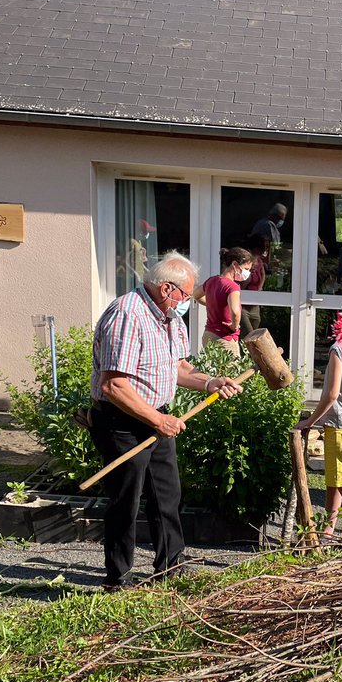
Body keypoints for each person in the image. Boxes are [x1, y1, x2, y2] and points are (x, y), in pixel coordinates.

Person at [90, 251, 244, 590]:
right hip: (122, 420)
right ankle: (118, 578)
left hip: (155, 416)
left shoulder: (170, 318)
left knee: (167, 494)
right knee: (125, 500)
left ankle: (170, 565)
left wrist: (210, 382)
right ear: (166, 289)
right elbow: (114, 384)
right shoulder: (127, 314)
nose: (189, 301)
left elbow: (178, 368)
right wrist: (157, 420)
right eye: (186, 295)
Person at [293, 304, 342, 542]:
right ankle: (329, 529)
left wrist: (310, 420)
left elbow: (332, 394)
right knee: (333, 482)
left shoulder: (339, 350)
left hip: (339, 426)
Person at [193, 246, 252, 355]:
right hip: (225, 339)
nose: (248, 273)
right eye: (246, 269)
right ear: (235, 265)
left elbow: (196, 295)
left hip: (208, 335)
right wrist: (234, 326)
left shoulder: (211, 281)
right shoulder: (232, 286)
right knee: (231, 371)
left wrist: (212, 304)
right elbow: (235, 311)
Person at [238, 235, 267, 337]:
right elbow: (241, 284)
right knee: (249, 335)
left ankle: (249, 353)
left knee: (255, 334)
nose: (258, 255)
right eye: (257, 252)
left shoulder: (259, 261)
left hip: (255, 304)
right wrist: (249, 274)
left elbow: (263, 274)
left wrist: (260, 287)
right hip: (243, 304)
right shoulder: (244, 261)